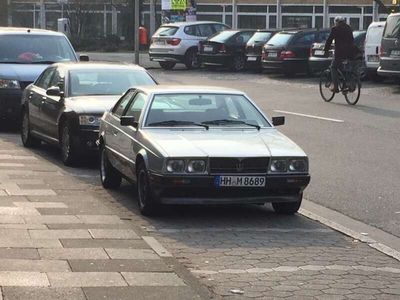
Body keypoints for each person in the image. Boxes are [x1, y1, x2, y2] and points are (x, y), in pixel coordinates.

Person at [324, 16, 357, 92]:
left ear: (336, 22)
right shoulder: (349, 28)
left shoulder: (335, 29)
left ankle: (335, 87)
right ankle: (347, 84)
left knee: (333, 67)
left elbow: (329, 40)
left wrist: (326, 50)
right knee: (345, 68)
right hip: (350, 52)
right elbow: (352, 40)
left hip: (340, 52)